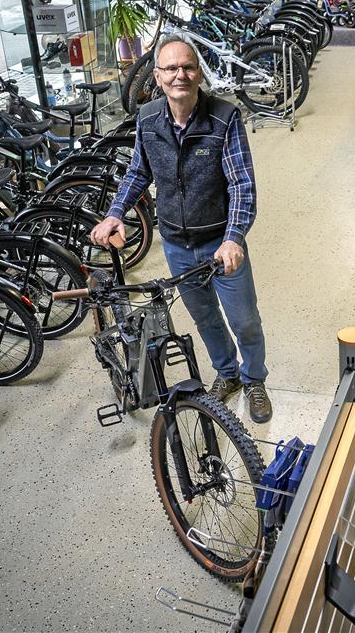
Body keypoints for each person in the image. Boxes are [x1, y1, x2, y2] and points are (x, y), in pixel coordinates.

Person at [90, 31, 272, 424]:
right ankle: (227, 374)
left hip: (220, 242)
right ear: (156, 76)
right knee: (204, 317)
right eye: (171, 68)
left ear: (199, 75)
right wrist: (114, 213)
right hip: (176, 243)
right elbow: (138, 172)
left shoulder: (224, 117)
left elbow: (242, 183)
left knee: (244, 319)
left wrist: (234, 238)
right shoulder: (148, 118)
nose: (180, 75)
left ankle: (254, 378)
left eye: (188, 67)